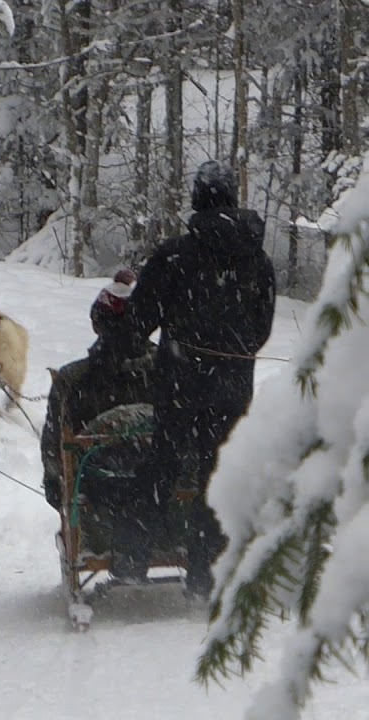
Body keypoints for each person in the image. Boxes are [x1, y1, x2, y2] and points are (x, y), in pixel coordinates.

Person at [111, 160, 276, 597]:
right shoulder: (257, 260)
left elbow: (140, 319)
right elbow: (262, 328)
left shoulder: (175, 255)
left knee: (162, 462)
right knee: (215, 472)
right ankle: (205, 572)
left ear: (197, 200)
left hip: (179, 381)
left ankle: (133, 556)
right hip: (232, 385)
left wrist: (116, 351)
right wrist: (232, 354)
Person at [41, 269, 156, 511]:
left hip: (94, 508)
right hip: (162, 503)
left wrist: (57, 487)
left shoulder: (72, 380)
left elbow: (54, 451)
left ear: (96, 324)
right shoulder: (169, 373)